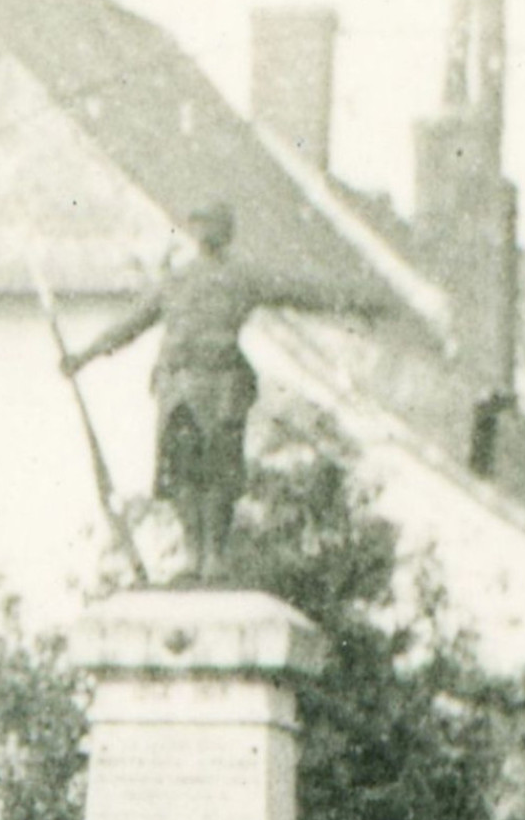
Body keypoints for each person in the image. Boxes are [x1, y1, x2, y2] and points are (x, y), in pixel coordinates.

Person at [63, 202, 344, 582]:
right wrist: (85, 355)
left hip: (223, 384)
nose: (206, 232)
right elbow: (130, 324)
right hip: (178, 383)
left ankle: (214, 553)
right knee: (181, 473)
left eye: (215, 225)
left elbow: (300, 292)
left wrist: (356, 301)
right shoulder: (175, 282)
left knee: (219, 472)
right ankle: (193, 551)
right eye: (200, 224)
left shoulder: (243, 278)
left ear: (227, 233)